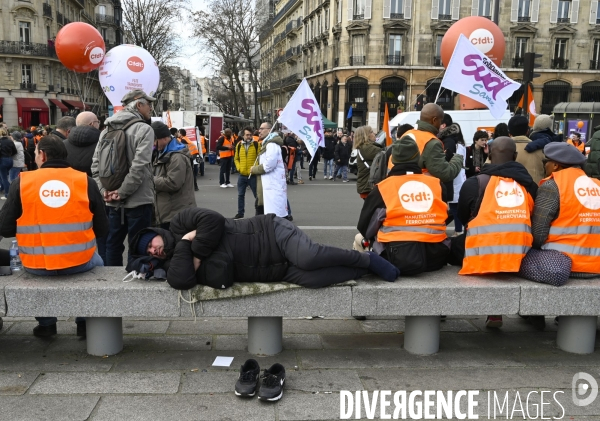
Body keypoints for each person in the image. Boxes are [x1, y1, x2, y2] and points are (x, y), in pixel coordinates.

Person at [128, 207, 400, 290]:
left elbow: (212, 220)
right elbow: (180, 281)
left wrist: (193, 253)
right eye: (148, 252)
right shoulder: (177, 255)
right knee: (314, 278)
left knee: (308, 257)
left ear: (157, 234)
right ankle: (360, 271)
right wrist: (190, 244)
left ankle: (365, 260)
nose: (153, 250)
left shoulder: (178, 222)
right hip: (273, 270)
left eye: (151, 243)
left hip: (270, 233)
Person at [0, 135, 108, 337]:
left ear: (43, 154)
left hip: (36, 265)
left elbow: (5, 228)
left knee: (24, 268)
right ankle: (84, 323)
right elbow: (102, 229)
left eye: (35, 153)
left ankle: (47, 324)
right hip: (81, 262)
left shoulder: (23, 182)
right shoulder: (85, 181)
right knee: (98, 262)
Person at [453, 137, 538, 328]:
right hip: (520, 256)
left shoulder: (475, 184)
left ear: (489, 155)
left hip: (479, 255)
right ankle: (533, 314)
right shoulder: (529, 186)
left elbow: (463, 216)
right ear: (515, 156)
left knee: (453, 245)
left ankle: (442, 310)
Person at [357, 138, 449, 275]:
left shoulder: (382, 188)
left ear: (393, 160)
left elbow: (365, 226)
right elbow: (446, 216)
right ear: (418, 158)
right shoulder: (437, 184)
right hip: (436, 257)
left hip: (394, 256)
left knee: (359, 238)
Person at [91, 89, 155, 266]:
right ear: (139, 105)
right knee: (139, 244)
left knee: (112, 244)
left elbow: (95, 165)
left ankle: (113, 283)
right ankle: (134, 283)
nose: (151, 108)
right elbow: (139, 166)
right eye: (149, 104)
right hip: (138, 200)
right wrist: (123, 192)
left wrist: (104, 191)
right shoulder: (144, 129)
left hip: (111, 199)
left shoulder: (106, 130)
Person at [532, 142, 600, 277]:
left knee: (518, 257)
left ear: (556, 165)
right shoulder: (597, 185)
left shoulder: (552, 186)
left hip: (564, 264)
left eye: (546, 161)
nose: (544, 165)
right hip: (596, 265)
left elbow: (538, 234)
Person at [397, 104, 463, 183]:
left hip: (397, 185)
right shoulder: (432, 143)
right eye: (440, 121)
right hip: (420, 189)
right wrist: (457, 158)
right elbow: (445, 173)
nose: (440, 124)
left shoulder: (407, 134)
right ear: (434, 120)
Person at [151, 122, 196, 230]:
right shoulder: (162, 153)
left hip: (175, 214)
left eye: (154, 140)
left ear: (165, 138)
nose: (153, 144)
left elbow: (173, 183)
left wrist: (150, 180)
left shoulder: (176, 157)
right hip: (168, 212)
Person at [250, 123, 289, 218]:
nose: (259, 131)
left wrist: (254, 169)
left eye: (262, 128)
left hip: (272, 187)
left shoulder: (271, 145)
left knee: (274, 219)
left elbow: (269, 165)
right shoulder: (267, 144)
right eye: (259, 128)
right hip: (267, 186)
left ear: (269, 130)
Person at [507, 115, 545, 184]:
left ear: (509, 133)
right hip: (536, 192)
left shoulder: (501, 149)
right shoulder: (540, 149)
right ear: (527, 131)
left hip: (509, 192)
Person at [65, 111, 101, 177]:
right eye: (98, 122)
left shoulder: (62, 144)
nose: (99, 124)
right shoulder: (103, 144)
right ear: (92, 124)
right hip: (95, 185)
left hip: (69, 185)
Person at [233, 127, 259, 219]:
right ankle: (240, 213)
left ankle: (258, 214)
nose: (249, 136)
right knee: (240, 195)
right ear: (243, 135)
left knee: (257, 196)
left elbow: (259, 158)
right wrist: (239, 168)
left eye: (250, 134)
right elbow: (236, 158)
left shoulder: (256, 144)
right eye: (247, 135)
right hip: (242, 174)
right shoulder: (239, 145)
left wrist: (255, 168)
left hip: (253, 175)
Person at [354, 125, 383, 199]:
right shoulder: (367, 148)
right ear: (367, 135)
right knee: (376, 210)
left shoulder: (364, 147)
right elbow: (385, 153)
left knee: (373, 209)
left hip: (366, 185)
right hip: (369, 186)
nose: (374, 134)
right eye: (372, 132)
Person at [0, 128, 16, 199]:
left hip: (2, 160)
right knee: (6, 176)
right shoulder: (10, 141)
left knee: (4, 178)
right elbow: (15, 151)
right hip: (10, 159)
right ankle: (4, 188)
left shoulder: (0, 141)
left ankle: (7, 193)